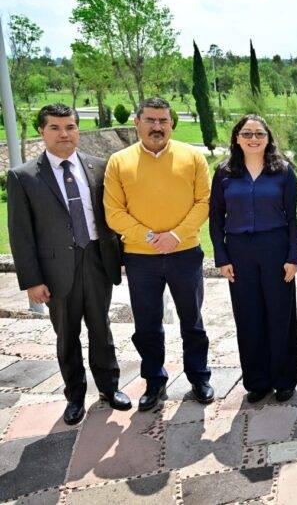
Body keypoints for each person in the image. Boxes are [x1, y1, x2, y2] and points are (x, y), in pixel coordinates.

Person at [7, 104, 131, 425]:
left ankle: (109, 387)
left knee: (101, 329)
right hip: (56, 269)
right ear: (42, 132)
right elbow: (21, 235)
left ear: (78, 129)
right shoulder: (23, 178)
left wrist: (119, 258)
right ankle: (75, 396)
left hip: (97, 261)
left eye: (70, 127)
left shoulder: (100, 167)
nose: (64, 134)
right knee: (67, 334)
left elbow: (112, 220)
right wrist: (32, 280)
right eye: (55, 128)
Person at [104, 97, 213, 411]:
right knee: (147, 324)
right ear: (137, 122)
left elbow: (203, 202)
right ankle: (154, 381)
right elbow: (114, 212)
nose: (157, 127)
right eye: (150, 120)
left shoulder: (192, 157)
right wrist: (151, 237)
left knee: (192, 321)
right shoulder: (119, 161)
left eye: (163, 121)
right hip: (140, 257)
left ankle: (199, 377)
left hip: (186, 253)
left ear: (171, 123)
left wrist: (176, 235)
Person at [210, 114, 297, 404]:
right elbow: (215, 217)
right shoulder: (224, 172)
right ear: (237, 138)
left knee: (280, 315)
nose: (253, 139)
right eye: (247, 133)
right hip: (239, 252)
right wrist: (222, 256)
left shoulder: (284, 172)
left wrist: (292, 256)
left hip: (275, 248)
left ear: (268, 138)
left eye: (259, 134)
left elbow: (294, 217)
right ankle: (258, 381)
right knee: (249, 317)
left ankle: (284, 380)